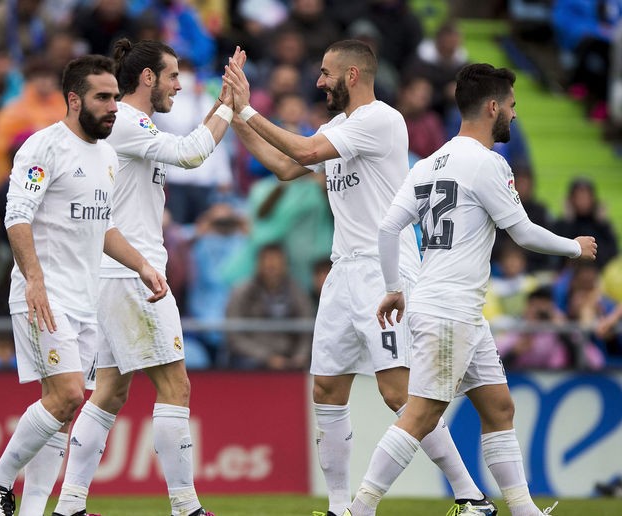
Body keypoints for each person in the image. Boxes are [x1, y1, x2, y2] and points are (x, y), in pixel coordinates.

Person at [222, 40, 492, 516]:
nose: (319, 81)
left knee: (397, 393)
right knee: (326, 389)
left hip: (383, 269)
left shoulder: (382, 120)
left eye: (326, 73)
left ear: (352, 75)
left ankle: (470, 496)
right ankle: (339, 507)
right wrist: (236, 116)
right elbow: (288, 166)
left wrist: (249, 109)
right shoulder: (339, 127)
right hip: (343, 270)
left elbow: (303, 150)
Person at [347, 63, 598, 516]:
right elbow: (521, 233)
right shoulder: (487, 163)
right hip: (451, 311)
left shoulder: (428, 162)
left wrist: (394, 287)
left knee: (499, 406)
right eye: (513, 106)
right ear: (493, 106)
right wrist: (574, 248)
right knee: (420, 415)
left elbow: (388, 228)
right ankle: (360, 508)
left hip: (450, 305)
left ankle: (522, 511)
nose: (515, 117)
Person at [0, 54, 168, 516]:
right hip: (45, 297)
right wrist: (34, 281)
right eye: (102, 98)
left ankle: (35, 508)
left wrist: (142, 265)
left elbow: (105, 227)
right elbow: (16, 215)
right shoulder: (43, 148)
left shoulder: (106, 157)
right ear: (74, 99)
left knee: (59, 415)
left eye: (116, 98)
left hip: (85, 300)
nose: (113, 107)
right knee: (67, 396)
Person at [51, 39, 234, 516]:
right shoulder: (129, 123)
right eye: (172, 75)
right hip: (133, 274)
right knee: (176, 387)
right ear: (148, 78)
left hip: (114, 273)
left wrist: (222, 101)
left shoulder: (132, 125)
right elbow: (194, 154)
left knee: (109, 391)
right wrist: (231, 107)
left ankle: (70, 505)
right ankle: (186, 507)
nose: (178, 84)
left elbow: (186, 144)